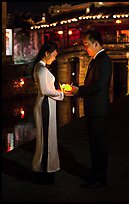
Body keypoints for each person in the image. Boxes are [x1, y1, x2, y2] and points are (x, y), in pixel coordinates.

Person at [71, 29, 113, 189]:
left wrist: (79, 91)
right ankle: (95, 174)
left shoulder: (103, 60)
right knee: (94, 145)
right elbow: (92, 84)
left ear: (96, 43)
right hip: (93, 110)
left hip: (99, 111)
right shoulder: (96, 59)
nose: (85, 48)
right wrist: (78, 89)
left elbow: (100, 85)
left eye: (86, 45)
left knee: (99, 145)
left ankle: (100, 178)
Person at [31, 41, 64, 185]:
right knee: (47, 139)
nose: (55, 58)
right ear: (46, 53)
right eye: (54, 55)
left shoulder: (39, 67)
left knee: (46, 138)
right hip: (45, 105)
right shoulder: (42, 69)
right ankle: (44, 172)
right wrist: (61, 94)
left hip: (44, 104)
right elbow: (46, 91)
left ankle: (43, 169)